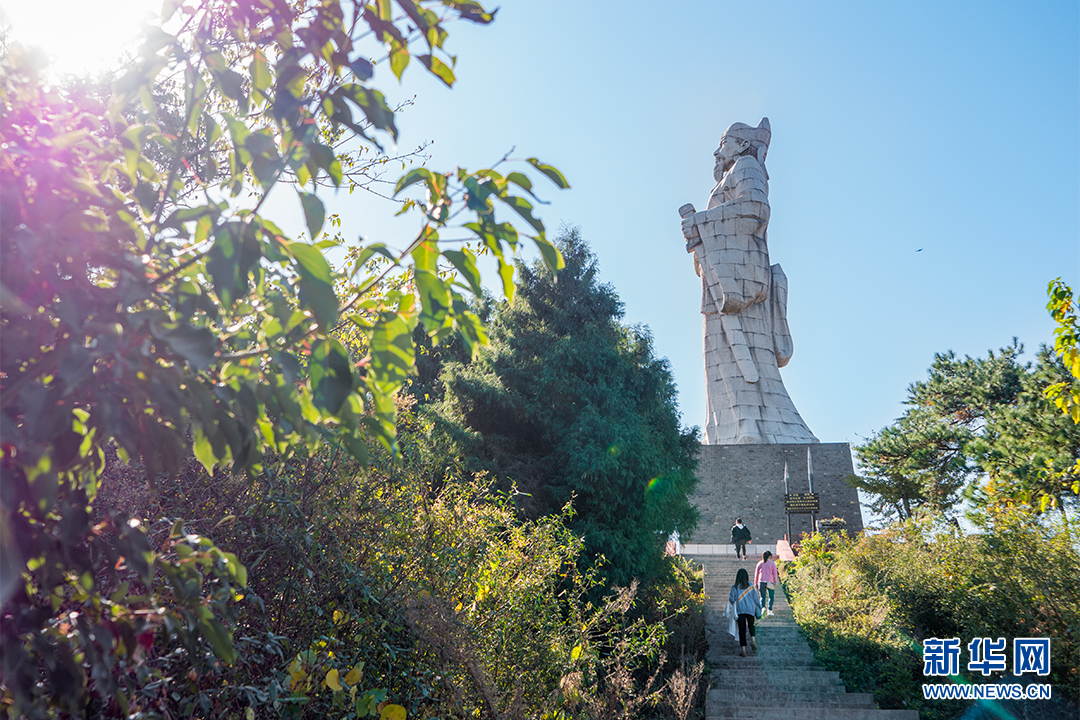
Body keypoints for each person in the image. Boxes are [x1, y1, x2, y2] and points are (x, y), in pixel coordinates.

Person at [680, 118, 819, 444]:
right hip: (720, 285)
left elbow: (756, 208)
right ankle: (735, 428)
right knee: (722, 361)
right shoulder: (732, 173)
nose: (718, 150)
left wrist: (700, 222)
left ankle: (753, 428)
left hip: (739, 286)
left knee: (746, 360)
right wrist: (700, 234)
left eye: (724, 141)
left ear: (742, 145)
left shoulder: (746, 167)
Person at [728, 567, 760, 656]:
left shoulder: (735, 587)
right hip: (751, 609)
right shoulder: (751, 586)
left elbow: (732, 599)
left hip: (740, 610)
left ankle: (743, 650)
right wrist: (759, 607)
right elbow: (756, 599)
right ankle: (753, 639)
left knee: (742, 629)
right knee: (751, 625)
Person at [754, 550, 779, 615]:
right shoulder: (772, 564)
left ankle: (763, 608)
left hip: (761, 581)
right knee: (771, 596)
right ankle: (770, 610)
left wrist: (756, 583)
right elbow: (775, 574)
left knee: (762, 596)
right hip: (770, 582)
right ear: (770, 556)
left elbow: (756, 574)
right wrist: (776, 582)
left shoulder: (760, 563)